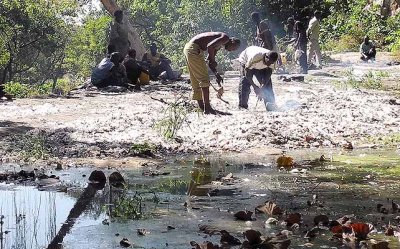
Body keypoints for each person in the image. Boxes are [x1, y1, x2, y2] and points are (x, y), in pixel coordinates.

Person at [183, 32, 240, 114]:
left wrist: (216, 74)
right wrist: (213, 61)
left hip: (190, 49)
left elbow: (210, 62)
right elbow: (210, 46)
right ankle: (207, 108)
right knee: (204, 80)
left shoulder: (219, 44)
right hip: (194, 49)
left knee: (196, 79)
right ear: (233, 42)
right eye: (234, 48)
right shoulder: (225, 38)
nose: (231, 51)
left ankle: (202, 107)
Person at [238, 46, 279, 111]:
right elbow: (247, 75)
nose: (269, 64)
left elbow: (267, 76)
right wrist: (255, 87)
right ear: (266, 57)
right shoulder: (255, 57)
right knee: (245, 82)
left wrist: (262, 87)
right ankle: (243, 106)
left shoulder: (272, 62)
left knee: (268, 85)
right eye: (268, 62)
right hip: (246, 62)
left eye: (271, 63)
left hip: (259, 66)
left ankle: (271, 105)